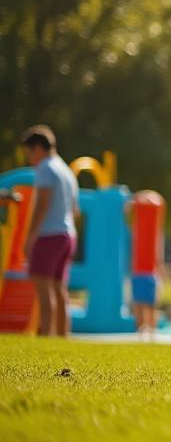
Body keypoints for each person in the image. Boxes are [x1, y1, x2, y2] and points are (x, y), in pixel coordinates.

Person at [20, 125, 80, 337]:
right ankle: (63, 336)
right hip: (68, 235)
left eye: (29, 153)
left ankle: (46, 334)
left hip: (49, 235)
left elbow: (42, 204)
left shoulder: (45, 168)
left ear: (37, 148)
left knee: (43, 288)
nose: (30, 159)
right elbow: (75, 210)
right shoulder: (66, 170)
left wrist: (30, 237)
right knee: (58, 287)